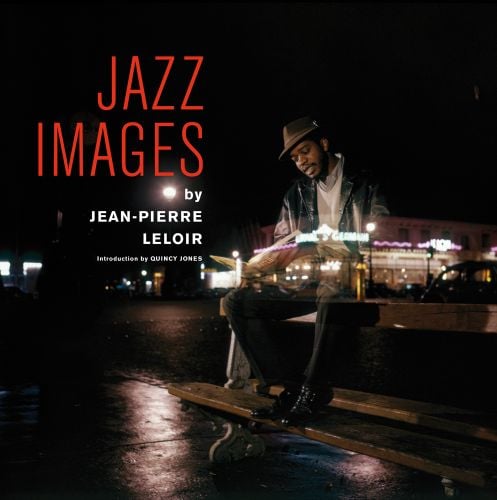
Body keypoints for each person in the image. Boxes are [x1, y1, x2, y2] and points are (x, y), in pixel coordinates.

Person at [223, 116, 389, 426]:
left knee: (331, 288)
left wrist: (328, 247)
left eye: (305, 151)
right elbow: (283, 241)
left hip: (352, 281)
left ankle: (312, 391)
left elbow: (378, 234)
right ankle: (290, 389)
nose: (301, 162)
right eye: (296, 158)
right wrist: (264, 264)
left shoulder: (365, 182)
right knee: (237, 301)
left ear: (324, 144)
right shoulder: (295, 194)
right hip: (307, 283)